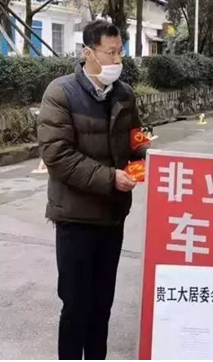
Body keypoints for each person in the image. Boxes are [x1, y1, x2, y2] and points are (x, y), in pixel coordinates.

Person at [38, 20, 148, 360]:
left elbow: (136, 141)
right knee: (75, 305)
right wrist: (110, 178)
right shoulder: (61, 93)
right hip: (75, 218)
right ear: (88, 53)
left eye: (120, 53)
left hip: (112, 217)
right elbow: (57, 155)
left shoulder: (124, 94)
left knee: (102, 305)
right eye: (110, 53)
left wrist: (142, 164)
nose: (117, 60)